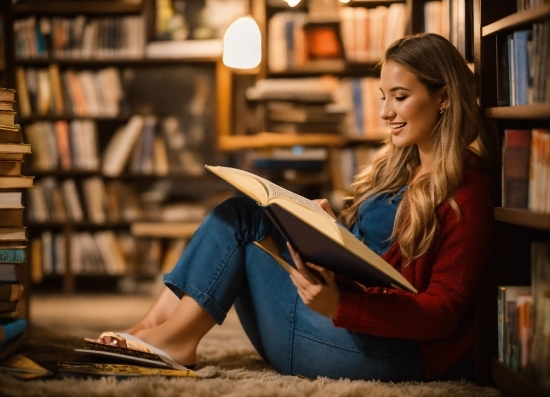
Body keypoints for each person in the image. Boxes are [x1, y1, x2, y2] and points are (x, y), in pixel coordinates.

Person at [97, 33, 496, 382]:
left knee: (240, 220)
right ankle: (155, 326)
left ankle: (173, 340)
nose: (384, 113)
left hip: (391, 352)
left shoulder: (467, 192)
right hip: (338, 318)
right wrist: (326, 232)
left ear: (443, 97)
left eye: (400, 97)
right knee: (242, 211)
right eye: (383, 97)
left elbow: (442, 311)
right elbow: (372, 261)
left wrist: (341, 305)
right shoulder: (401, 167)